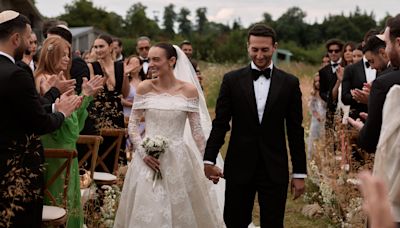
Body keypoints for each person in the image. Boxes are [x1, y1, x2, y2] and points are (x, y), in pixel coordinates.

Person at [203, 24, 307, 227]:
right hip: (239, 164)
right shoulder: (231, 80)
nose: (259, 55)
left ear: (274, 47)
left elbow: (295, 130)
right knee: (234, 221)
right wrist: (209, 159)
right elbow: (221, 123)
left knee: (273, 222)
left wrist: (299, 173)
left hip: (274, 166)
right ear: (248, 47)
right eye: (255, 49)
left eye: (265, 50)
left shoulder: (290, 83)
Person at [114, 43, 225, 227]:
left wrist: (208, 161)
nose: (151, 63)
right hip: (147, 159)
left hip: (178, 159)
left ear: (172, 61)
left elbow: (197, 133)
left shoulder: (188, 91)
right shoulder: (144, 88)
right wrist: (143, 153)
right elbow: (132, 126)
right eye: (149, 59)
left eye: (156, 59)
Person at [0, 10, 79, 227]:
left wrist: (52, 99)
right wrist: (61, 112)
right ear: (16, 39)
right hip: (18, 169)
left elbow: (21, 109)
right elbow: (40, 123)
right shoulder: (17, 73)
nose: (29, 45)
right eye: (27, 38)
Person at [35, 36, 103, 228]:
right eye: (62, 55)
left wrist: (86, 96)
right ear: (50, 55)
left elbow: (73, 123)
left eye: (68, 55)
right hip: (54, 151)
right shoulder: (43, 79)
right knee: (56, 200)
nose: (67, 59)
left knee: (69, 200)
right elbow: (51, 120)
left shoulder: (63, 78)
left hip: (67, 149)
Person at [348, 14, 400, 153]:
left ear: (399, 43)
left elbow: (369, 142)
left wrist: (363, 128)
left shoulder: (383, 84)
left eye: (388, 43)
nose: (387, 51)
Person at [319, 39, 343, 127]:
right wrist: (330, 99)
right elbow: (321, 92)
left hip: (345, 108)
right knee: (330, 137)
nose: (333, 53)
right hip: (330, 110)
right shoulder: (322, 71)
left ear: (341, 52)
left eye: (336, 51)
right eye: (330, 51)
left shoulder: (348, 68)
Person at [307, 74, 326, 159]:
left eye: (319, 81)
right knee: (312, 140)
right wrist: (317, 116)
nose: (317, 83)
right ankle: (311, 159)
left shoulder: (325, 93)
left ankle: (323, 159)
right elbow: (311, 108)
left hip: (325, 120)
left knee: (324, 141)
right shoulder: (313, 93)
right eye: (316, 81)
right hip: (315, 121)